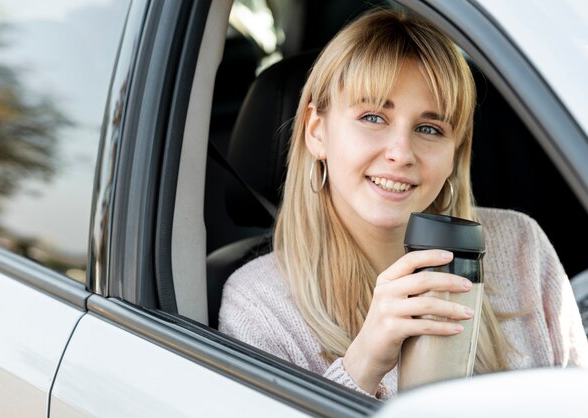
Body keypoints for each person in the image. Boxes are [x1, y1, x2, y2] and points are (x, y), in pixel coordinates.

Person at [218, 7, 588, 399]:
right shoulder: (257, 307)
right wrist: (360, 367)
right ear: (317, 131)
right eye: (373, 117)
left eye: (429, 128)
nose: (401, 152)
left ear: (454, 153)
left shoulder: (520, 246)